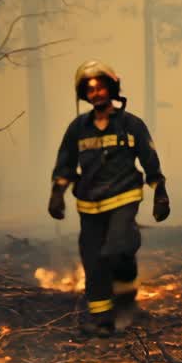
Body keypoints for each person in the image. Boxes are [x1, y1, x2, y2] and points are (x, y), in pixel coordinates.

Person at [49, 60, 170, 337]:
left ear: (112, 89)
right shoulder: (78, 128)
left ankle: (126, 298)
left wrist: (159, 192)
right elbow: (65, 164)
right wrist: (57, 193)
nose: (96, 93)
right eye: (90, 89)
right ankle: (102, 319)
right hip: (89, 204)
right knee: (93, 260)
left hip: (123, 197)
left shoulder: (131, 124)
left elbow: (149, 160)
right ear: (84, 95)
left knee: (117, 248)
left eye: (101, 87)